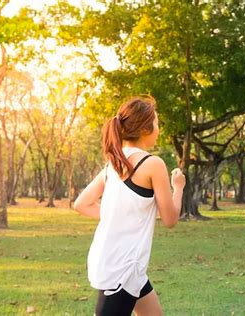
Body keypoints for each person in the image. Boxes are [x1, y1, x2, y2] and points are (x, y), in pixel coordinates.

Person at [73, 96, 186, 316]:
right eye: (157, 123)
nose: (159, 129)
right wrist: (178, 187)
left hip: (123, 265)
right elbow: (171, 219)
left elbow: (81, 204)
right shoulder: (152, 164)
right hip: (121, 269)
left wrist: (118, 218)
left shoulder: (113, 164)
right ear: (145, 128)